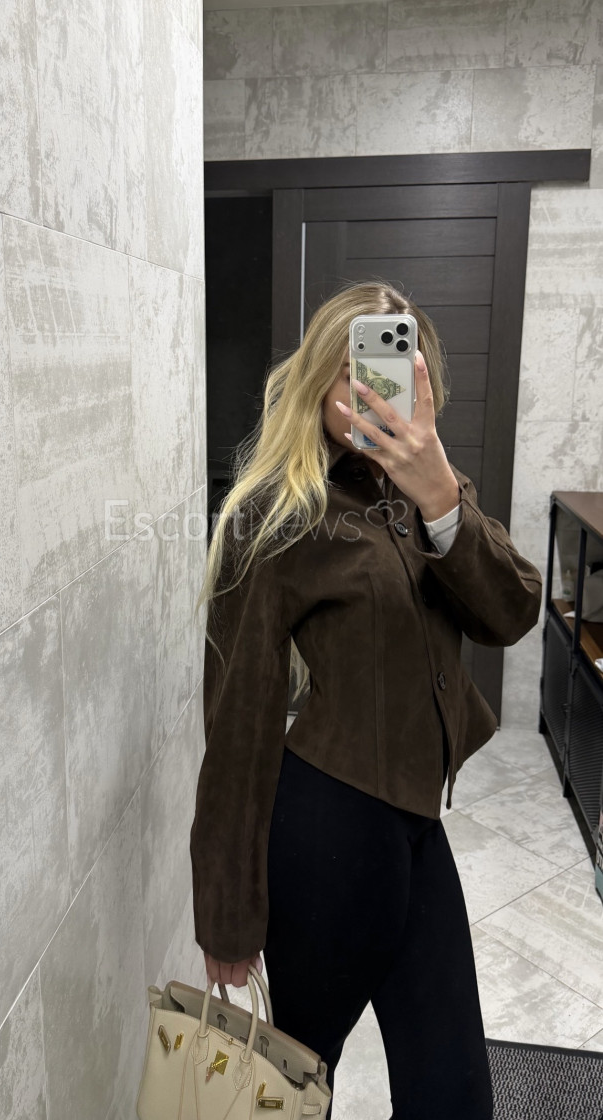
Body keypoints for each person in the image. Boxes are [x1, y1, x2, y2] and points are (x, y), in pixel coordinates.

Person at [189, 280, 542, 1119]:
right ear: (320, 378)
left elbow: (511, 612)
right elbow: (236, 718)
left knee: (454, 1095)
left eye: (394, 367)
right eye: (356, 369)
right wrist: (227, 911)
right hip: (326, 837)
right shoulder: (275, 514)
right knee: (293, 1092)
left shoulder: (427, 495)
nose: (372, 389)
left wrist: (439, 493)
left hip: (415, 829)